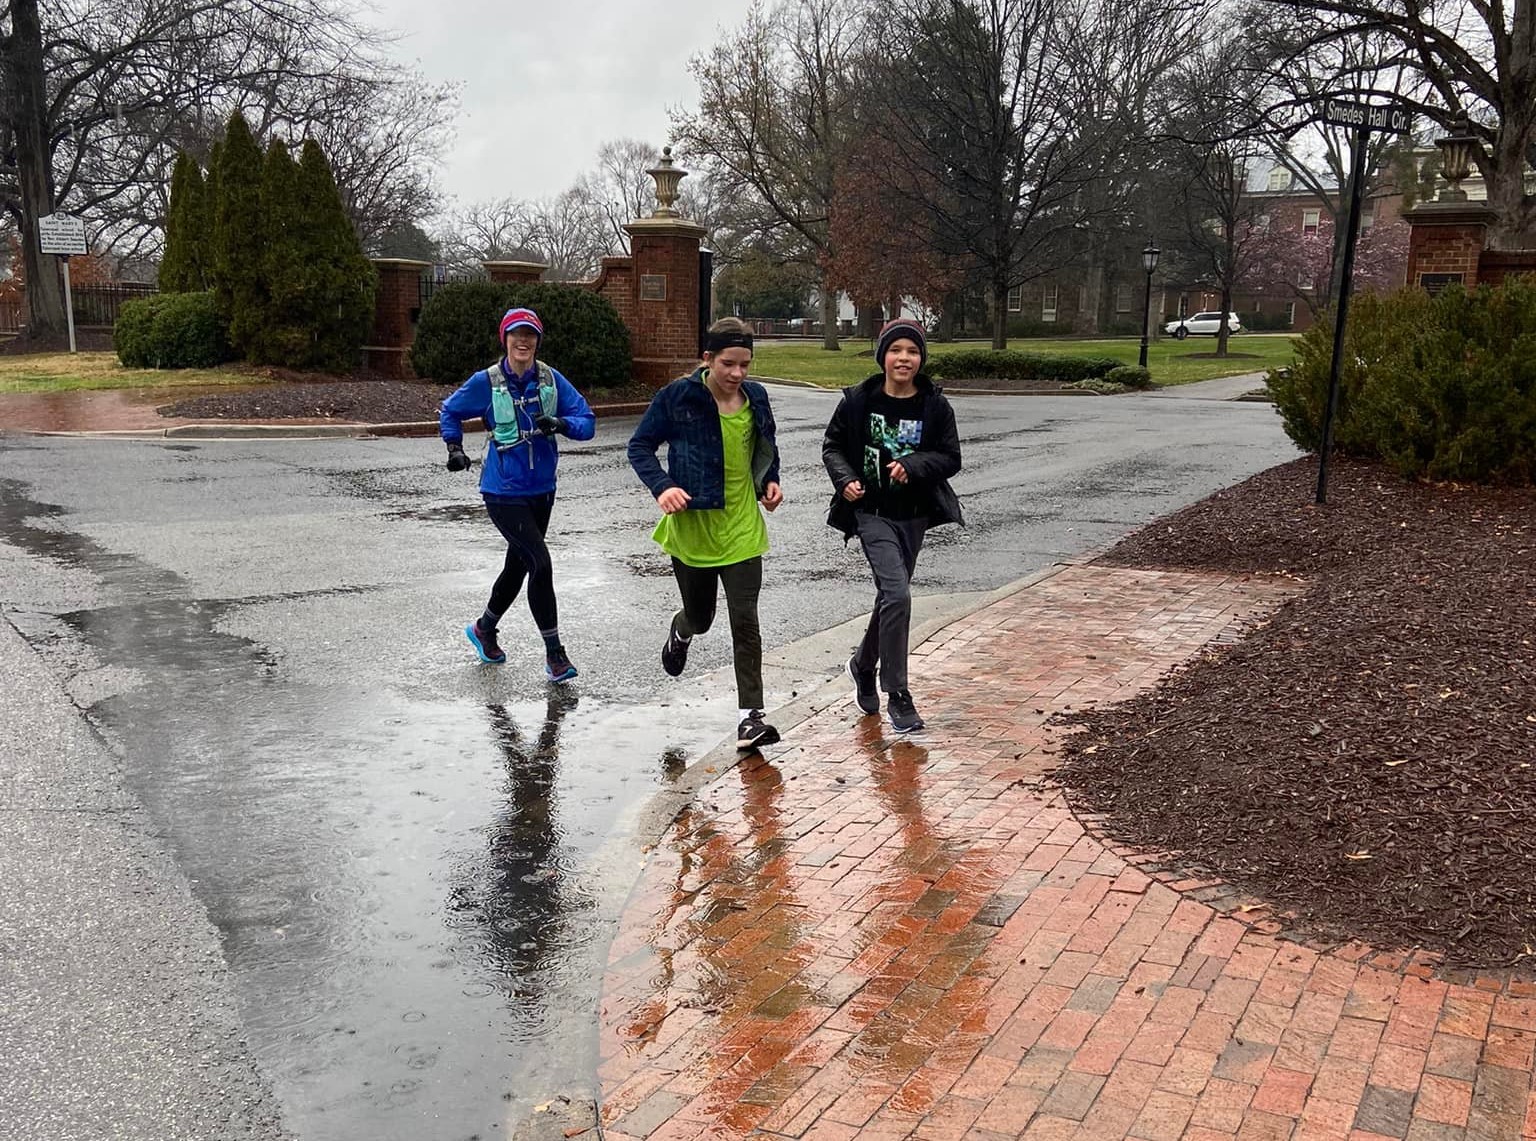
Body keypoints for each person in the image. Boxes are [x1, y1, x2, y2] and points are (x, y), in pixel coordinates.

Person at [627, 317, 785, 751]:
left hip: (742, 529)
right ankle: (681, 631)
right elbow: (640, 447)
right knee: (701, 618)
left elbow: (765, 447)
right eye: (728, 364)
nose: (737, 373)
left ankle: (750, 717)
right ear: (708, 359)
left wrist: (769, 481)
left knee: (745, 620)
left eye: (745, 364)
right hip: (693, 529)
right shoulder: (678, 397)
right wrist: (663, 487)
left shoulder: (756, 397)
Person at [439, 307, 595, 683]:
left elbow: (587, 422)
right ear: (505, 339)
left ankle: (484, 628)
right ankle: (555, 654)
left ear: (537, 342)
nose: (523, 341)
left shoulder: (551, 379)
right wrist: (455, 447)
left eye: (530, 335)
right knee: (540, 563)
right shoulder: (487, 381)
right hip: (502, 490)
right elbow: (450, 411)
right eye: (516, 335)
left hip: (542, 489)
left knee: (518, 565)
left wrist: (561, 423)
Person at [822, 318, 962, 732]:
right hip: (871, 513)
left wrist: (914, 465)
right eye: (896, 350)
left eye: (913, 351)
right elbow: (832, 446)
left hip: (914, 515)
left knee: (890, 598)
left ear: (921, 359)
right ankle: (898, 693)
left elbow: (950, 457)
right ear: (883, 356)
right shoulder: (858, 401)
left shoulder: (934, 406)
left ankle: (863, 665)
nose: (904, 358)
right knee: (898, 594)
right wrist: (846, 479)